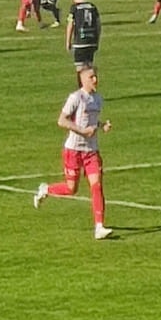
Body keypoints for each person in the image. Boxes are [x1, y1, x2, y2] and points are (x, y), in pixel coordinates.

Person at [34, 64, 113, 239]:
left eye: (96, 76)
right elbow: (62, 121)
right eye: (91, 77)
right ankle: (46, 189)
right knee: (71, 188)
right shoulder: (75, 98)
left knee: (97, 185)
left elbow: (92, 120)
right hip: (73, 150)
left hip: (91, 150)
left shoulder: (98, 99)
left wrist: (101, 125)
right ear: (83, 79)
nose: (95, 80)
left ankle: (99, 226)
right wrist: (82, 131)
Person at [66, 0, 101, 68]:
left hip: (80, 42)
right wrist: (97, 41)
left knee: (80, 69)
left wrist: (68, 42)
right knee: (89, 67)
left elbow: (70, 25)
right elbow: (98, 25)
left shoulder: (75, 8)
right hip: (92, 42)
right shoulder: (93, 7)